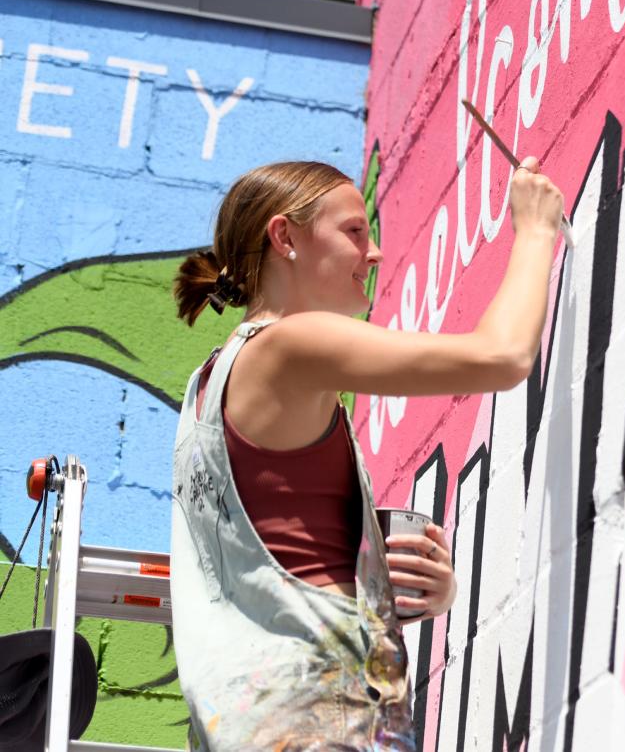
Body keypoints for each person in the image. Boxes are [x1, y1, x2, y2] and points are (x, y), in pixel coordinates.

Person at [169, 157, 564, 749]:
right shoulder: (292, 343)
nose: (374, 252)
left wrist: (386, 586)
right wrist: (536, 230)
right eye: (354, 231)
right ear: (285, 237)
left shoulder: (205, 389)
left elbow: (277, 568)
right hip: (323, 718)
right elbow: (502, 357)